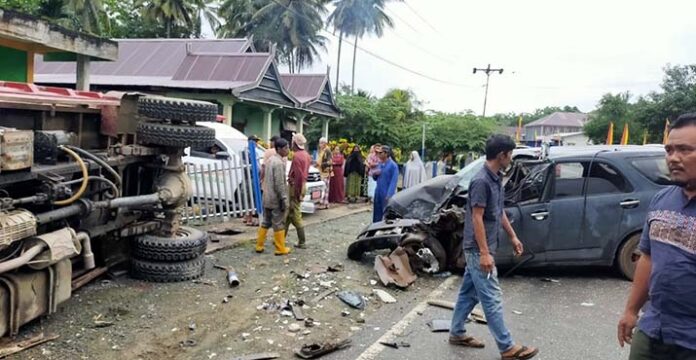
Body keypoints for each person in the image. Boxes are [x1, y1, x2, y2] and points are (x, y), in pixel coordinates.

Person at [449, 134, 538, 360]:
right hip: (478, 248)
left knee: (469, 293)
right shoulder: (481, 181)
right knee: (492, 297)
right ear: (502, 155)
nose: (511, 159)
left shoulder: (496, 178)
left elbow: (498, 212)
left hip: (483, 247)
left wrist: (513, 237)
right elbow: (476, 218)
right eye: (510, 155)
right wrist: (485, 253)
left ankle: (457, 332)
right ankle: (507, 347)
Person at [617, 113, 696, 359]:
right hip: (653, 328)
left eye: (684, 150)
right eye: (669, 150)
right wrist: (631, 311)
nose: (673, 158)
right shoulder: (662, 199)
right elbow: (648, 257)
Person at [255, 138, 291, 255]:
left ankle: (259, 245)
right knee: (278, 223)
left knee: (265, 221)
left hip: (266, 196)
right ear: (279, 149)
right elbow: (280, 183)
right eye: (286, 148)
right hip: (276, 198)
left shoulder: (270, 160)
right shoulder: (279, 163)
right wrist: (284, 198)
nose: (288, 150)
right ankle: (280, 248)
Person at [286, 133, 311, 249]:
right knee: (288, 213)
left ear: (295, 143)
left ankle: (302, 241)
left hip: (296, 186)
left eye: (292, 141)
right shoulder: (306, 155)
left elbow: (299, 176)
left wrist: (297, 192)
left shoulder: (297, 156)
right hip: (302, 185)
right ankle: (280, 238)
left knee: (294, 213)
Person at [372, 145, 398, 223]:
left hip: (386, 192)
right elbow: (375, 178)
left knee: (386, 212)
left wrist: (389, 194)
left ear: (386, 154)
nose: (378, 155)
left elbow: (394, 181)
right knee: (377, 211)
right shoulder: (379, 164)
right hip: (378, 191)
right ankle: (375, 226)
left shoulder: (393, 166)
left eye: (380, 153)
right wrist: (375, 174)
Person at [317, 137, 333, 209]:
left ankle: (324, 203)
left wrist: (321, 164)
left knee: (325, 188)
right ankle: (324, 203)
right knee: (323, 187)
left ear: (324, 143)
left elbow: (330, 162)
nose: (320, 144)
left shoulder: (327, 150)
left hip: (325, 171)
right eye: (320, 142)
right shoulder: (322, 150)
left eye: (321, 143)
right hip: (321, 171)